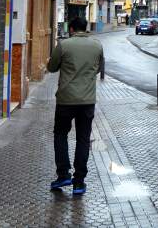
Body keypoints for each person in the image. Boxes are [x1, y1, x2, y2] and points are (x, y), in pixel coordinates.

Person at [46, 17, 104, 196]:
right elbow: (99, 68)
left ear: (71, 29)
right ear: (85, 28)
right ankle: (79, 182)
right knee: (83, 139)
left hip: (66, 100)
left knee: (60, 134)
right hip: (87, 101)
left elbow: (52, 68)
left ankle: (63, 175)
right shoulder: (97, 45)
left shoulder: (64, 45)